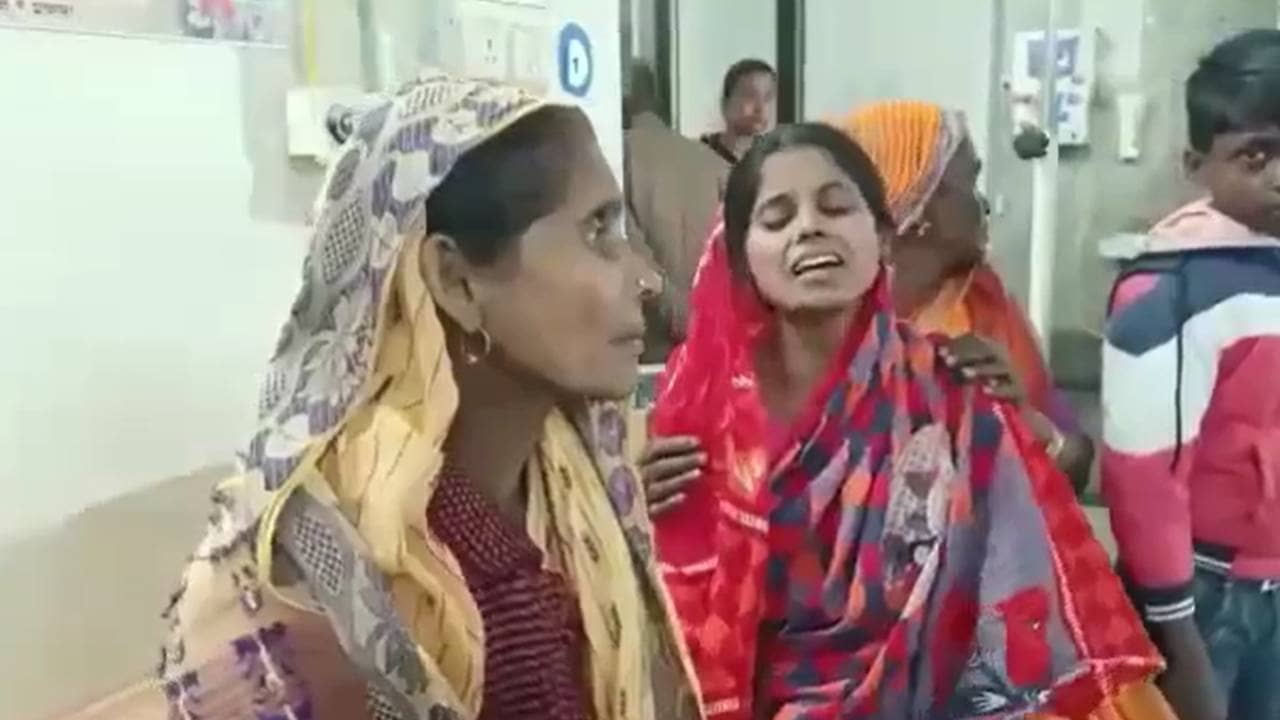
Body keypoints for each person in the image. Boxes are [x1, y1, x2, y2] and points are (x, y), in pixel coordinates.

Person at [154, 74, 702, 720]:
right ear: (455, 281)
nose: (647, 278)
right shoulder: (304, 581)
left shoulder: (580, 498)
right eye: (597, 230)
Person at [638, 122, 1171, 719]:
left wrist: (1029, 426)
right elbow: (668, 611)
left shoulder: (953, 393)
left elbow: (1017, 581)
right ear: (740, 257)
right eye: (777, 218)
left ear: (885, 237)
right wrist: (635, 516)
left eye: (836, 207)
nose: (809, 227)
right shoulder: (701, 408)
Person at [1103, 29, 1280, 720]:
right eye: (1255, 155)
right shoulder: (1171, 290)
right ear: (1195, 164)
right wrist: (1177, 638)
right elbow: (1142, 478)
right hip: (1204, 593)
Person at [839, 100, 1094, 493]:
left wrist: (1029, 425)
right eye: (970, 183)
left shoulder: (985, 306)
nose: (984, 204)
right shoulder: (829, 332)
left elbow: (1072, 464)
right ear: (918, 205)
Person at [624, 59, 729, 361]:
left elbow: (633, 259)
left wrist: (679, 314)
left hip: (645, 350)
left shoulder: (612, 159)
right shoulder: (712, 162)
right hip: (709, 350)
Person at [700, 58, 777, 164]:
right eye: (750, 95)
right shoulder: (696, 156)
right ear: (725, 104)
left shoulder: (774, 162)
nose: (760, 108)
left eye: (768, 98)